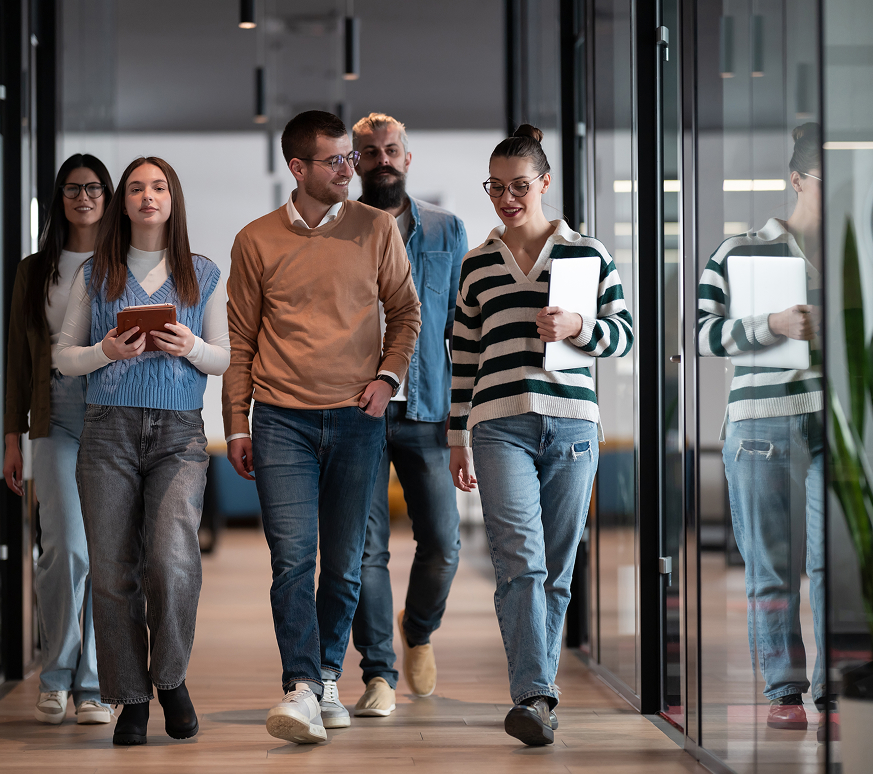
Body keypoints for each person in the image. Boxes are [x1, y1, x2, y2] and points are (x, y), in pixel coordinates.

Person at [223, 110, 421, 744]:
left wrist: (387, 379)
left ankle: (331, 673)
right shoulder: (256, 239)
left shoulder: (376, 228)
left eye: (349, 157)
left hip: (357, 420)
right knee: (292, 560)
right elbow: (240, 339)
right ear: (298, 168)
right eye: (335, 160)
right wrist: (236, 423)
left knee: (342, 565)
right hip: (281, 420)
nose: (350, 167)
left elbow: (406, 313)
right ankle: (302, 685)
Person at [448, 125, 633, 746]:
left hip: (574, 425)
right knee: (521, 562)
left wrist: (579, 324)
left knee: (556, 570)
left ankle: (540, 699)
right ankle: (532, 693)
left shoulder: (589, 254)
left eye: (518, 186)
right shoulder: (477, 264)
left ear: (544, 184)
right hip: (499, 426)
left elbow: (624, 335)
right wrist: (455, 437)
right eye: (496, 187)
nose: (506, 197)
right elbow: (464, 358)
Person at [55, 156, 228, 746]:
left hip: (179, 435)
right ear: (123, 202)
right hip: (107, 432)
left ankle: (171, 679)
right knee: (111, 570)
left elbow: (226, 357)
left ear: (172, 199)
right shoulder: (96, 273)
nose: (147, 196)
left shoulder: (202, 273)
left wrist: (191, 346)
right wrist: (104, 351)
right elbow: (63, 355)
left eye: (157, 187)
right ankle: (130, 698)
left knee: (171, 560)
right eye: (135, 188)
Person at [695, 123, 826, 737]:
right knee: (771, 567)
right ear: (797, 180)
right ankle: (785, 692)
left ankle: (833, 691)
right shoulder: (739, 250)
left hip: (836, 426)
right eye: (826, 181)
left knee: (831, 566)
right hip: (759, 429)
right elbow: (702, 334)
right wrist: (772, 322)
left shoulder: (864, 248)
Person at [348, 113, 467, 716]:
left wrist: (463, 418)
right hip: (355, 413)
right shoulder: (337, 231)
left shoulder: (448, 231)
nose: (382, 160)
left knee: (444, 543)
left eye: (391, 149)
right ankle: (378, 674)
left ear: (407, 157)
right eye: (369, 152)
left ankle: (417, 629)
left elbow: (461, 335)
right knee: (365, 551)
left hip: (427, 413)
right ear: (355, 162)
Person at [4, 154, 114, 727]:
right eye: (74, 188)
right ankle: (55, 673)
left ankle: (92, 685)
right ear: (59, 197)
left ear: (107, 195)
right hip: (54, 413)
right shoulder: (34, 269)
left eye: (94, 187)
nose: (85, 196)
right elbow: (19, 361)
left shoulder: (123, 262)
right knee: (63, 549)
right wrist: (11, 436)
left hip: (112, 413)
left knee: (103, 553)